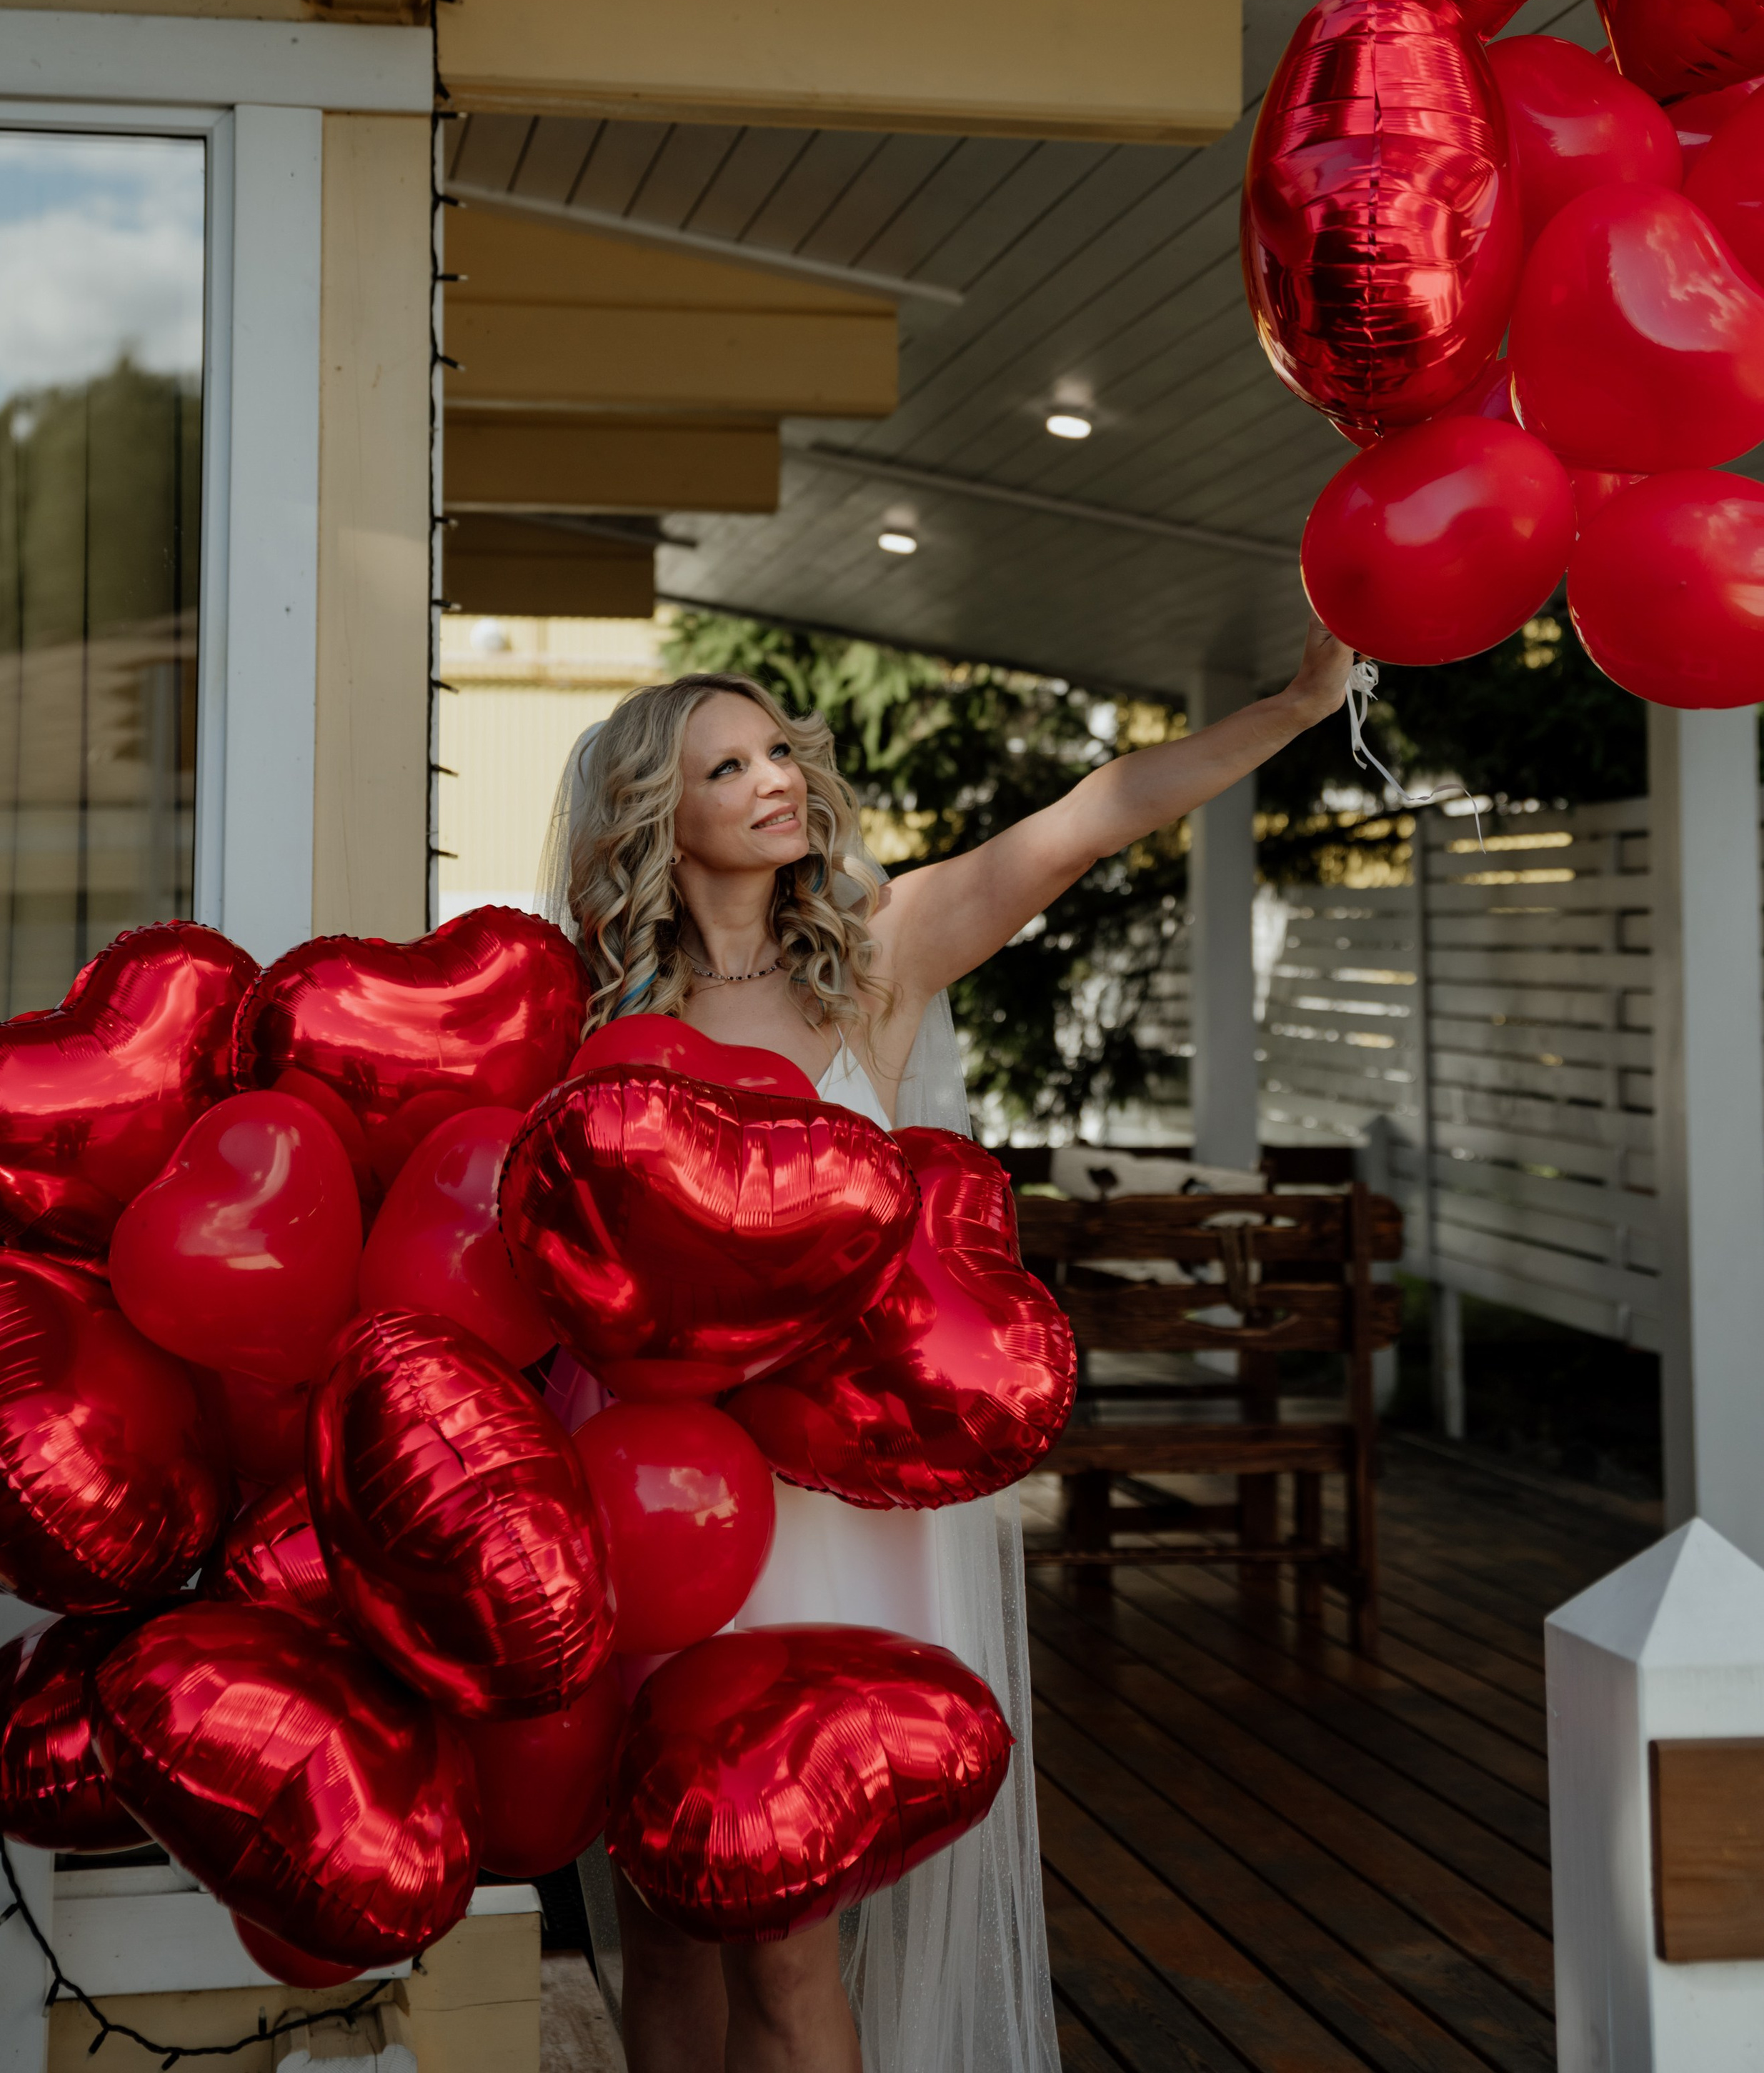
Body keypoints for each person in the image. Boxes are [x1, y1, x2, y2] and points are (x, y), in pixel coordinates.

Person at [539, 619, 1353, 2073]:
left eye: (779, 746)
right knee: (663, 1908)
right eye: (729, 766)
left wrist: (1290, 708)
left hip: (820, 1511)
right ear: (659, 817)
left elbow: (1090, 817)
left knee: (785, 1923)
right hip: (647, 1499)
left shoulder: (873, 959)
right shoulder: (589, 1014)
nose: (777, 778)